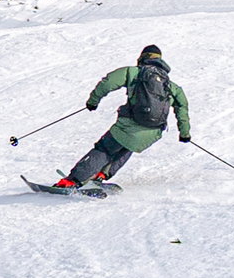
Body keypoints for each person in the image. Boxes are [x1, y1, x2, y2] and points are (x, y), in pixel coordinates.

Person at [56, 44, 190, 188]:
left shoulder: (133, 72)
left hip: (129, 124)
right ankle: (101, 175)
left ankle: (72, 181)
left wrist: (93, 102)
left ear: (143, 57)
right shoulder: (171, 85)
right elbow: (182, 107)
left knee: (105, 148)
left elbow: (108, 83)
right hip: (153, 131)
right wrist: (184, 134)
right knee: (129, 146)